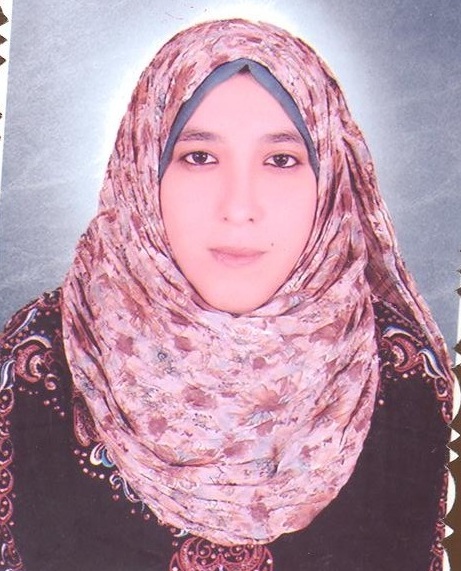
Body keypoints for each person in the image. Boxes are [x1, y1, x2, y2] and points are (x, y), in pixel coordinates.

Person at [0, 18, 453, 571]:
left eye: (281, 160)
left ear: (331, 182)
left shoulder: (403, 371)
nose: (239, 207)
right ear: (142, 170)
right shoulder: (36, 360)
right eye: (199, 157)